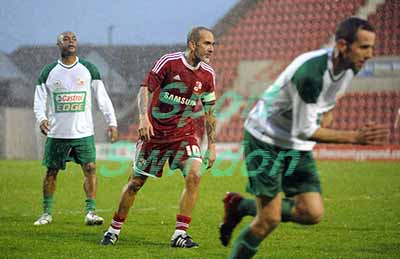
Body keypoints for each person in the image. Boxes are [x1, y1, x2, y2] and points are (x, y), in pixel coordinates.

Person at [219, 17, 390, 258]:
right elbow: (305, 130)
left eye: (371, 47)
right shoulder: (311, 72)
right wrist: (355, 137)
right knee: (268, 220)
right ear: (342, 45)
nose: (370, 54)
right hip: (265, 138)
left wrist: (326, 113)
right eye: (364, 47)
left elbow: (327, 103)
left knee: (312, 212)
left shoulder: (349, 68)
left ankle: (239, 205)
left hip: (295, 144)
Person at [101, 26, 217, 248]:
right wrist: (143, 118)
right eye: (206, 43)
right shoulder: (169, 62)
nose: (211, 49)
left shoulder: (208, 74)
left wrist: (212, 146)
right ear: (192, 44)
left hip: (184, 136)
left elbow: (210, 111)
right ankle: (113, 229)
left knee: (194, 175)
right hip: (155, 135)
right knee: (135, 183)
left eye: (213, 44)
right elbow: (145, 88)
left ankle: (179, 234)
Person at [33, 31, 118, 226]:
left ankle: (91, 212)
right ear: (58, 44)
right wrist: (41, 118)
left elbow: (103, 99)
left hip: (83, 132)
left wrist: (111, 122)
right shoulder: (48, 71)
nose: (70, 41)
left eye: (73, 39)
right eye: (66, 39)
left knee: (90, 168)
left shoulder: (88, 69)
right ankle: (46, 213)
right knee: (51, 171)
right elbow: (39, 100)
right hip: (57, 133)